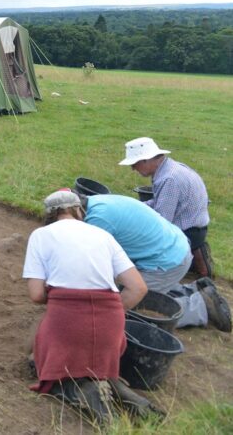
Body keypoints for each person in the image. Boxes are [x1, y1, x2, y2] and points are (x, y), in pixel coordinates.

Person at [23, 190, 148, 423]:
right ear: (78, 210)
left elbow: (36, 294)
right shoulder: (103, 235)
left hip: (67, 317)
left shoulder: (40, 235)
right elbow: (138, 288)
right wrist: (110, 314)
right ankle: (120, 391)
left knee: (45, 365)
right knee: (98, 362)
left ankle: (76, 390)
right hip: (110, 320)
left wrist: (59, 296)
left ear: (50, 214)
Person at [82, 193, 230, 333]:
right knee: (121, 287)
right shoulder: (93, 202)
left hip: (169, 261)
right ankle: (189, 291)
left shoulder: (97, 221)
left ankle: (201, 306)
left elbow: (93, 267)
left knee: (129, 305)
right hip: (172, 249)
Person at [119, 136, 213, 278]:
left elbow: (162, 220)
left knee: (137, 241)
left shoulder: (168, 179)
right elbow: (159, 202)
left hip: (187, 231)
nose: (133, 168)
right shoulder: (173, 167)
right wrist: (134, 207)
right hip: (196, 225)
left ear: (146, 159)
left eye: (135, 164)